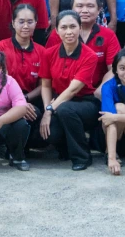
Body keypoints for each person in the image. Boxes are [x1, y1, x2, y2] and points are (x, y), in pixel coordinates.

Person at [39, 10, 100, 171]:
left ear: (80, 28)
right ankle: (64, 149)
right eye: (63, 27)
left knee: (65, 109)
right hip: (58, 101)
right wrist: (47, 109)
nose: (68, 32)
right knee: (50, 132)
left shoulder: (90, 55)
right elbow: (45, 85)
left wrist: (51, 109)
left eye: (73, 26)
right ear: (57, 31)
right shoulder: (49, 53)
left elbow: (73, 89)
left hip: (85, 103)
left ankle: (82, 157)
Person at [46, 0, 120, 90]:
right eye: (79, 6)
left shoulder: (108, 35)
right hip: (61, 93)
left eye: (90, 6)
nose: (85, 10)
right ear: (72, 9)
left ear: (99, 9)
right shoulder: (58, 33)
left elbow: (114, 69)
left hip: (94, 93)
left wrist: (101, 90)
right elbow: (47, 71)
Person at [0, 4, 46, 145]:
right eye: (21, 21)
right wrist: (17, 102)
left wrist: (24, 100)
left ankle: (19, 147)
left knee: (32, 114)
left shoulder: (42, 52)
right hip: (3, 98)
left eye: (30, 22)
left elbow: (44, 85)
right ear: (13, 23)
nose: (25, 26)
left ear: (36, 23)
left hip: (29, 98)